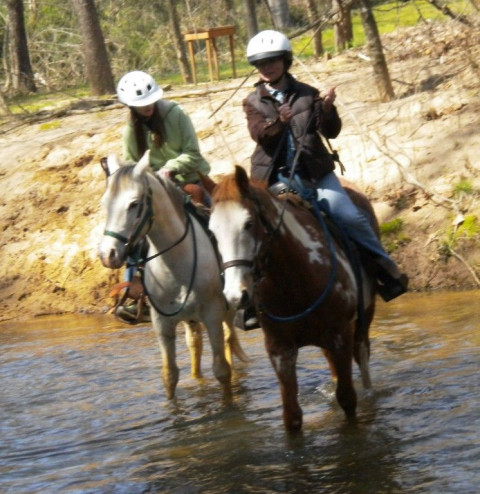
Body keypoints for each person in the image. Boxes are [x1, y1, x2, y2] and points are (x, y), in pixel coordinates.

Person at [243, 30, 408, 302]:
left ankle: (384, 270)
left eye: (272, 61)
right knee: (253, 228)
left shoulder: (308, 94)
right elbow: (259, 135)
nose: (267, 68)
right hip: (275, 178)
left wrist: (329, 110)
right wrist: (279, 123)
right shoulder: (252, 103)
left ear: (285, 61)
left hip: (315, 174)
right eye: (261, 64)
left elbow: (331, 132)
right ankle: (250, 299)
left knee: (350, 216)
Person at [114, 70, 211, 323]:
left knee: (216, 221)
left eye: (149, 102)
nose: (146, 107)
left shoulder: (176, 114)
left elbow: (194, 154)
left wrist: (170, 168)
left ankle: (232, 281)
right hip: (155, 192)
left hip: (189, 181)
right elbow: (133, 167)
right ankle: (136, 295)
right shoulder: (129, 131)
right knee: (134, 231)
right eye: (140, 105)